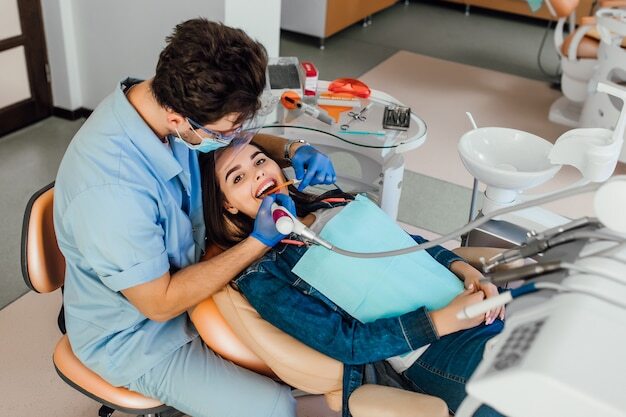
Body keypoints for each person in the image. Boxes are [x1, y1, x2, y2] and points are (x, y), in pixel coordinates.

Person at [53, 18, 337, 417]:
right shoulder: (111, 192)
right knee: (272, 406)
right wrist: (260, 240)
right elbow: (160, 303)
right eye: (226, 131)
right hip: (138, 335)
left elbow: (235, 140)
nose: (239, 138)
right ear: (179, 121)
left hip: (193, 279)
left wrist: (291, 149)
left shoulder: (161, 100)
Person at [199, 143, 507, 417]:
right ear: (229, 206)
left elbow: (410, 243)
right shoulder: (264, 275)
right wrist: (442, 322)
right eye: (237, 178)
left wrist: (469, 272)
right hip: (433, 348)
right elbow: (346, 343)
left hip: (477, 303)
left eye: (259, 160)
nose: (256, 173)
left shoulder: (334, 202)